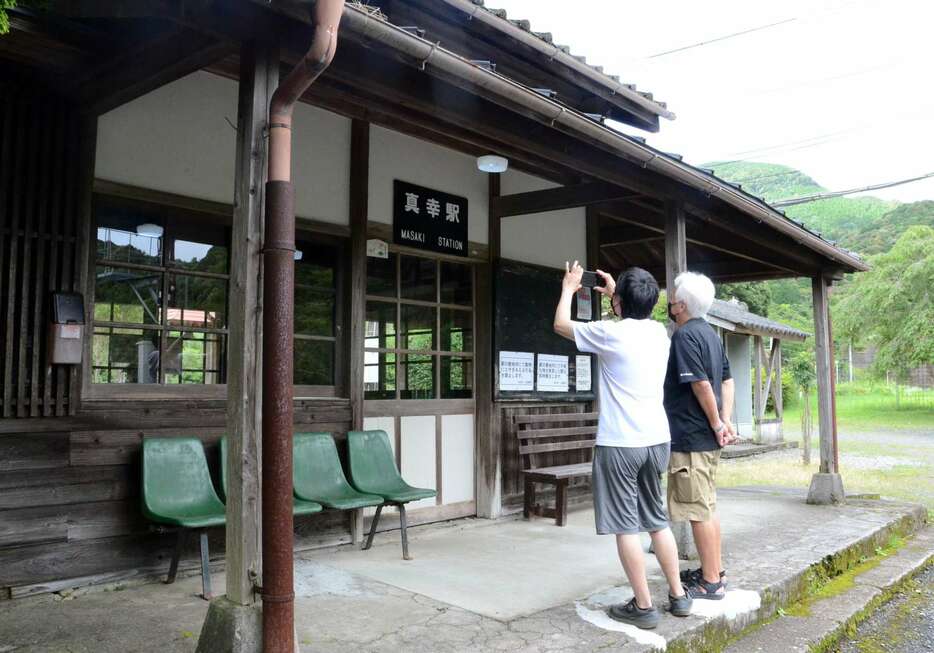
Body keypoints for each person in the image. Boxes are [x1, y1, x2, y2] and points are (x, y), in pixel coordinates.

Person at [554, 261, 692, 630]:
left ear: (620, 304)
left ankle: (643, 605)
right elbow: (634, 313)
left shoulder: (610, 333)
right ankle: (678, 596)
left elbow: (561, 326)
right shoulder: (661, 334)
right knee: (656, 520)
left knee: (625, 525)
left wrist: (569, 288)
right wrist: (619, 293)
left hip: (620, 443)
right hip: (656, 439)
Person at [663, 271, 736, 600]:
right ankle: (714, 570)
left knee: (697, 509)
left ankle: (710, 582)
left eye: (674, 298)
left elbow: (701, 384)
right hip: (706, 435)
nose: (670, 303)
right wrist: (724, 420)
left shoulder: (684, 337)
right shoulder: (710, 334)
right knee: (706, 506)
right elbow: (726, 380)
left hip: (692, 436)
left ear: (681, 305)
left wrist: (719, 424)